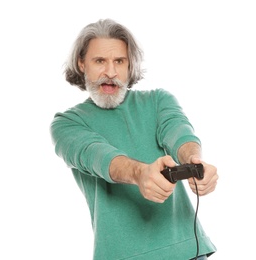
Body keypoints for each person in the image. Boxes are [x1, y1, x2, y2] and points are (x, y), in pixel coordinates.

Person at [50, 18, 218, 260]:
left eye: (119, 61)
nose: (110, 72)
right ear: (81, 63)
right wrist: (140, 174)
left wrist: (195, 161)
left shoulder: (158, 100)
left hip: (188, 252)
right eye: (100, 61)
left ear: (130, 65)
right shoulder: (67, 123)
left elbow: (179, 132)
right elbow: (97, 156)